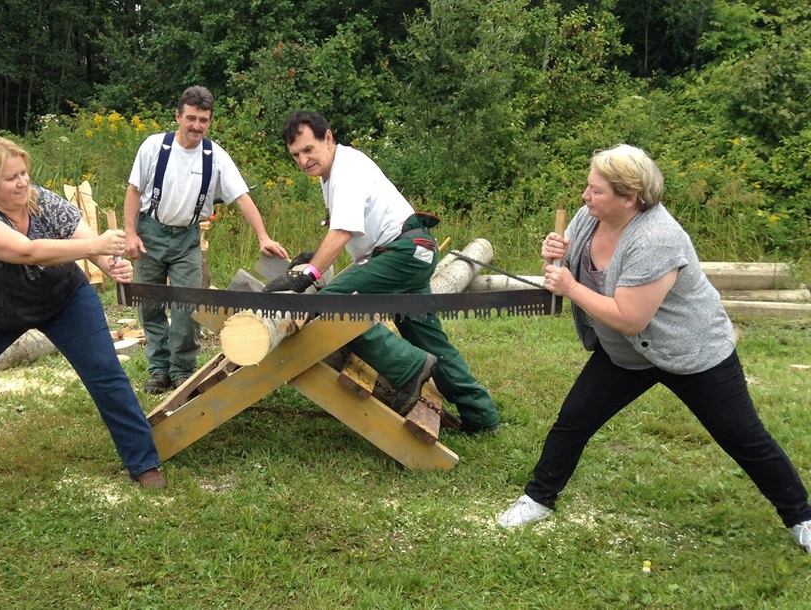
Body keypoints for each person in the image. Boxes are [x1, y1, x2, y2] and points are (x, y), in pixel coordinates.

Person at [497, 144, 811, 553]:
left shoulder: (658, 239)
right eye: (587, 187)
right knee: (574, 420)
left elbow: (630, 318)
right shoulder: (588, 218)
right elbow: (570, 271)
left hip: (693, 353)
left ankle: (802, 518)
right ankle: (538, 499)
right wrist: (555, 258)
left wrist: (569, 287)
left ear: (630, 198)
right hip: (626, 355)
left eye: (596, 191)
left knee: (744, 438)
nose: (585, 196)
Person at [0, 136, 166, 491]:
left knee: (107, 376)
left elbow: (82, 236)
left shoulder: (43, 201)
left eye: (25, 173)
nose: (23, 182)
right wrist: (97, 245)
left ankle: (144, 463)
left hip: (66, 300)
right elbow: (27, 251)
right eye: (12, 177)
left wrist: (110, 266)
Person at [265, 110, 500, 434]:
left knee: (333, 303)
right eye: (296, 155)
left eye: (308, 150)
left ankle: (410, 368)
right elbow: (351, 234)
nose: (304, 160)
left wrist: (310, 274)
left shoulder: (345, 169)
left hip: (403, 253)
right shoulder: (333, 173)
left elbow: (343, 231)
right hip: (411, 250)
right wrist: (313, 258)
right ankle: (482, 417)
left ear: (328, 139)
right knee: (430, 340)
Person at [123, 85, 288, 394]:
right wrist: (130, 233)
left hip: (187, 237)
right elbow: (133, 191)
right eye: (191, 118)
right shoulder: (154, 148)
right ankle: (159, 371)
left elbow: (242, 198)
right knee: (150, 305)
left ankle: (182, 371)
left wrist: (263, 236)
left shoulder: (215, 157)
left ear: (210, 121)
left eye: (204, 120)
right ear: (178, 116)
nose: (197, 126)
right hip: (150, 232)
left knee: (189, 306)